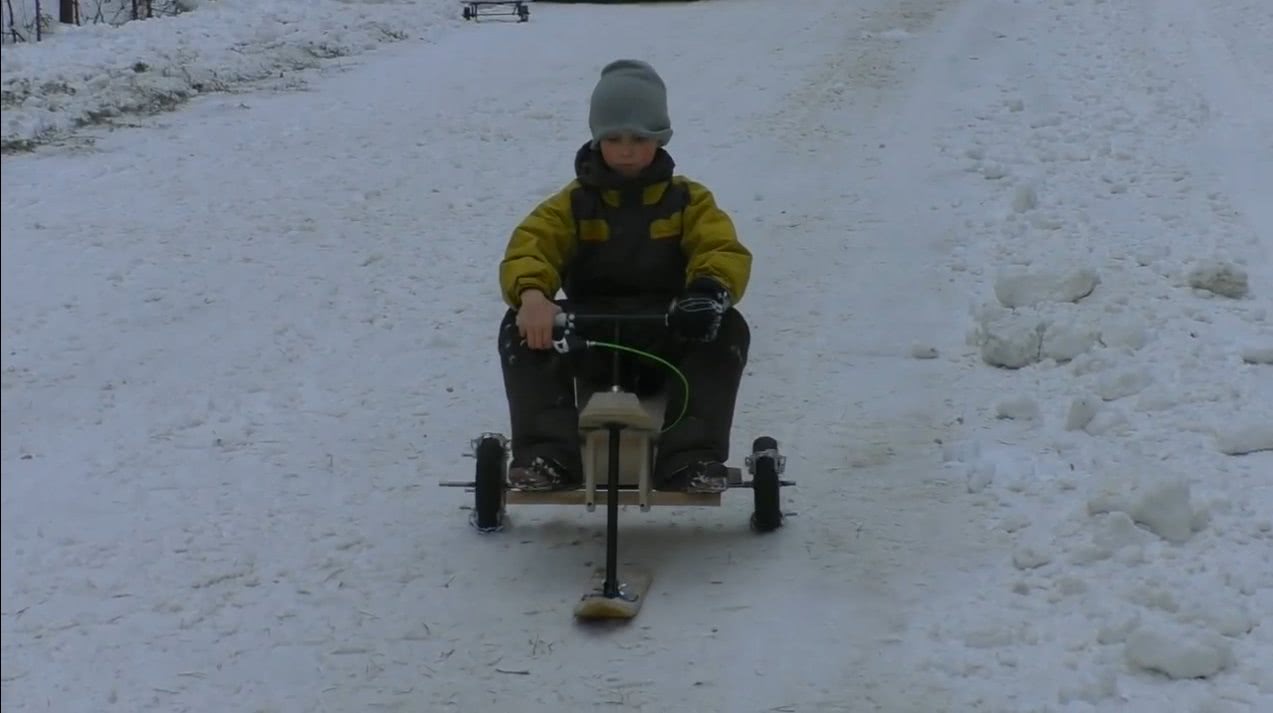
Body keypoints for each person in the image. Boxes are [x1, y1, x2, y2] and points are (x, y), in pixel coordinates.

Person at [496, 59, 752, 494]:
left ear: (660, 138)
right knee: (518, 329)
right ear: (597, 140)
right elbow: (531, 246)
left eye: (640, 138)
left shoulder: (688, 200)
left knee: (728, 328)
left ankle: (690, 457)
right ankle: (549, 454)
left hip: (669, 333)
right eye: (614, 138)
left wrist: (708, 293)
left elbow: (720, 247)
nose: (627, 150)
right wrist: (533, 295)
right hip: (588, 336)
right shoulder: (573, 204)